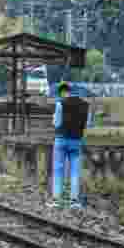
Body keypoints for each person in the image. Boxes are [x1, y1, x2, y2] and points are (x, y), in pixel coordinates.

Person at [50, 81, 92, 209]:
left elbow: (56, 123)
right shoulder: (86, 105)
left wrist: (55, 118)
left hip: (61, 140)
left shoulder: (60, 103)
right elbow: (88, 124)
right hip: (77, 141)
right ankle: (74, 201)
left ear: (65, 92)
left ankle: (57, 200)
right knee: (75, 171)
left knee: (58, 170)